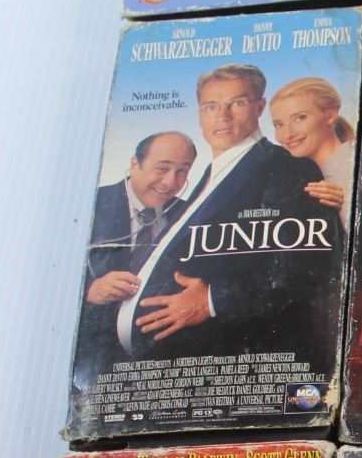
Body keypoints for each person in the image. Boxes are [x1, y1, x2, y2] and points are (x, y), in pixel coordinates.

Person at [116, 63, 337, 363]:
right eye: (211, 107)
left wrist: (211, 300)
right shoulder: (211, 173)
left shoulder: (286, 167)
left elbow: (303, 268)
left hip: (222, 360)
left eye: (237, 103)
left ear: (259, 107)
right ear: (199, 115)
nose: (222, 116)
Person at [77, 131, 196, 381]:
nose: (170, 182)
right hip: (95, 356)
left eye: (182, 171)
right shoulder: (88, 204)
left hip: (163, 356)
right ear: (134, 163)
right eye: (162, 168)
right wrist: (89, 290)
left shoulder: (190, 213)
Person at [270, 76, 355, 226]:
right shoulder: (293, 180)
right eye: (279, 125)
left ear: (330, 115)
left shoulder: (358, 168)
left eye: (300, 118)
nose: (287, 134)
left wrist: (346, 207)